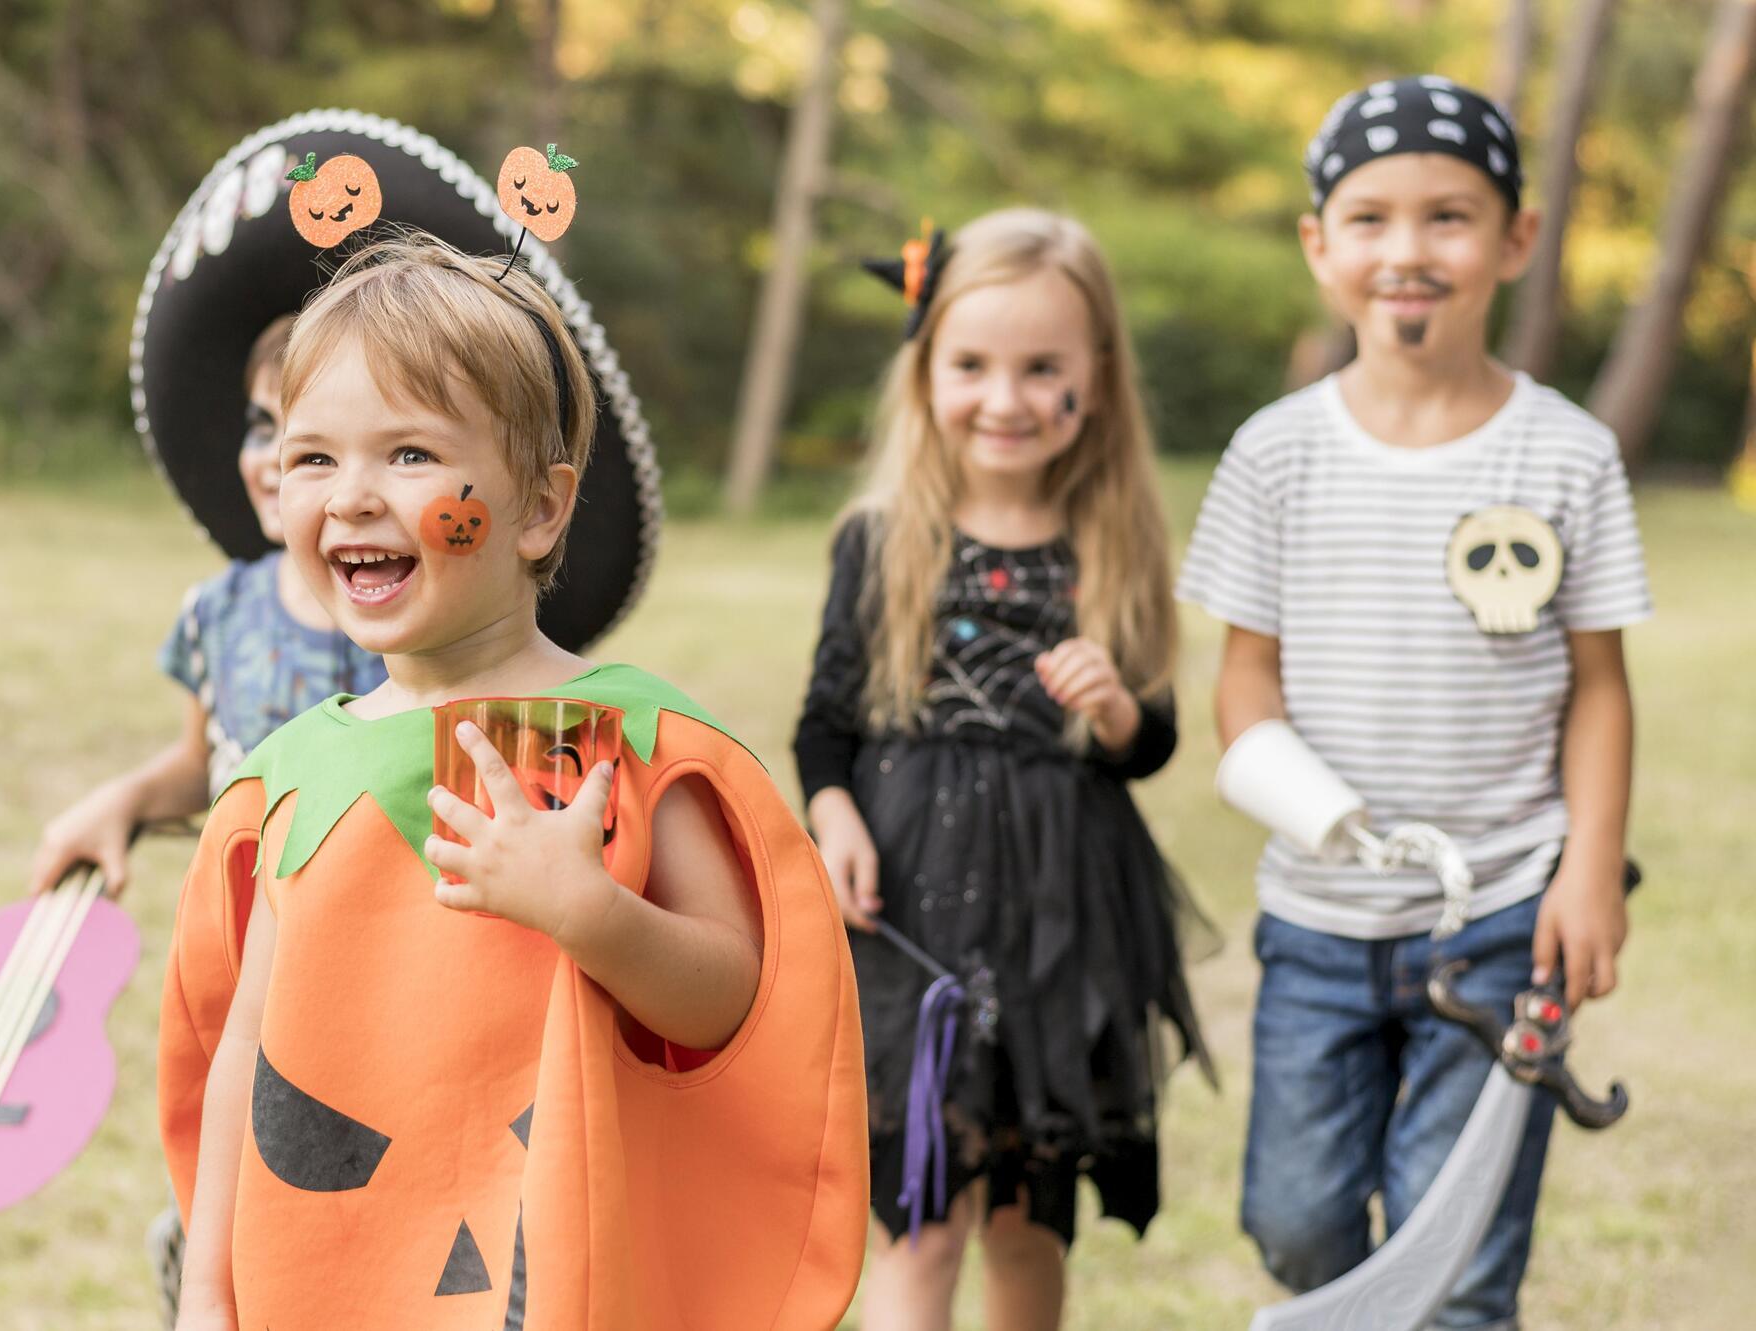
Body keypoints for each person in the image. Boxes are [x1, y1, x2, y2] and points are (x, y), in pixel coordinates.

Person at [160, 232, 867, 1330]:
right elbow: (251, 1055)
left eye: (407, 455)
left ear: (538, 509)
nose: (350, 497)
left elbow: (733, 995)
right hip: (340, 1278)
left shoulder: (625, 738)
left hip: (554, 1273)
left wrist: (594, 916)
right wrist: (209, 1289)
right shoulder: (289, 778)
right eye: (312, 458)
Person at [1177, 76, 1651, 1330]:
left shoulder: (1564, 453)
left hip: (1503, 915)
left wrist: (1586, 866)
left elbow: (1597, 688)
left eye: (1448, 216)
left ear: (1514, 239)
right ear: (1317, 245)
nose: (1407, 250)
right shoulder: (1274, 452)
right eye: (1370, 217)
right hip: (1320, 919)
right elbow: (1243, 674)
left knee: (1463, 1256)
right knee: (1297, 1223)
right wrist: (1313, 803)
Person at [794, 207, 1211, 1331]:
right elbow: (823, 724)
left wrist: (1119, 711)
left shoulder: (1111, 537)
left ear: (1095, 376)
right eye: (971, 364)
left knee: (1028, 1225)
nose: (1005, 396)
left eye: (1042, 368)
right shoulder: (882, 537)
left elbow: (1152, 740)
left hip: (1058, 918)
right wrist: (831, 814)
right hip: (911, 912)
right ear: (925, 366)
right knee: (919, 1215)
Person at [27, 315, 386, 897]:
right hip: (238, 935)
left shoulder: (412, 617)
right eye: (262, 427)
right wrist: (124, 800)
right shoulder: (218, 613)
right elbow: (206, 763)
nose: (275, 458)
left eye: (312, 443)